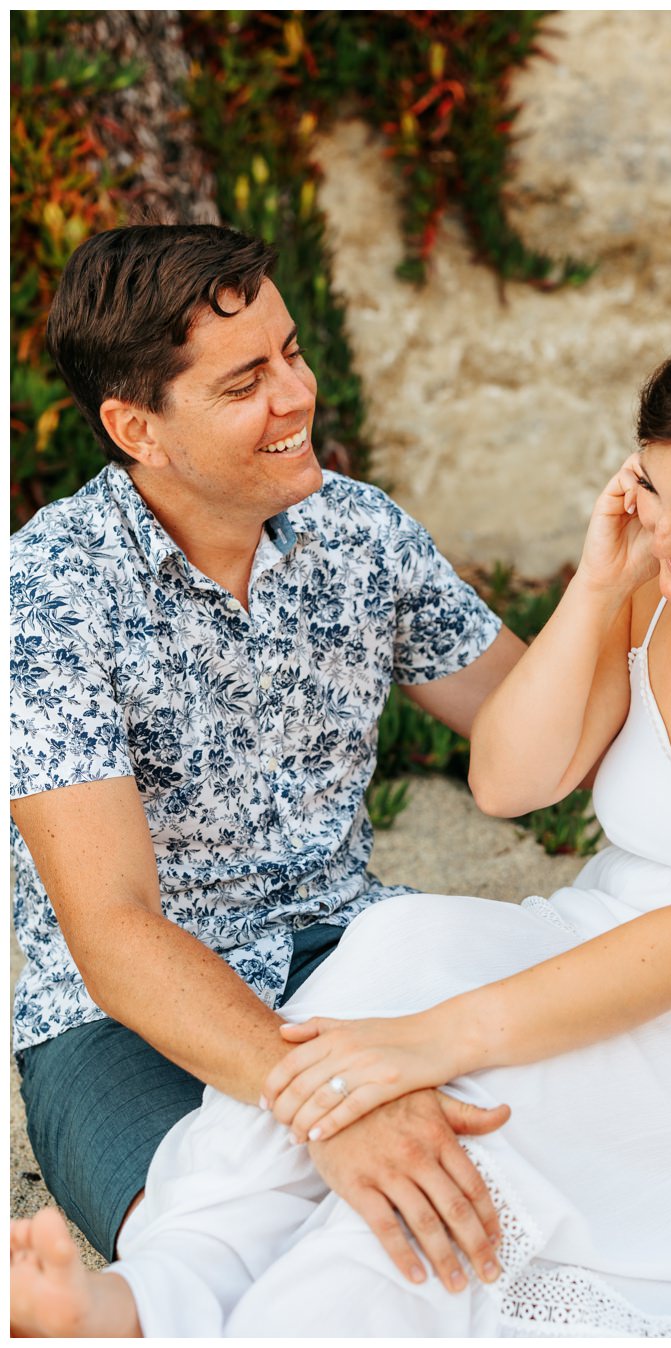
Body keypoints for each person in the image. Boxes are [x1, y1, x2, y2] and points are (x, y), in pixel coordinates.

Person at [10, 225, 527, 1292]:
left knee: (495, 1200)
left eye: (291, 353)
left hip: (353, 952)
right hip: (125, 1024)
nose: (299, 394)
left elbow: (533, 731)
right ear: (135, 427)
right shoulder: (47, 593)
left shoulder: (360, 531)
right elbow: (110, 929)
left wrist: (623, 575)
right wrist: (324, 1099)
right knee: (235, 1269)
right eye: (248, 379)